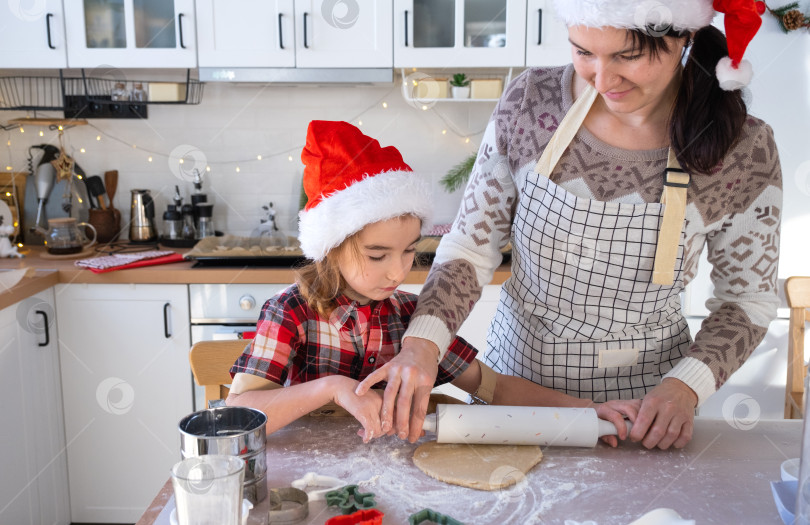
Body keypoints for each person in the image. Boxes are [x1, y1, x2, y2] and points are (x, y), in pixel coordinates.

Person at [357, 0, 782, 450]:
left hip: (646, 411)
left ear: (684, 36)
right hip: (515, 398)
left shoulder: (744, 149)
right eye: (583, 52)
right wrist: (423, 343)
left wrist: (686, 386)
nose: (602, 79)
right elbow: (469, 247)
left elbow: (747, 300)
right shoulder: (530, 103)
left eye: (627, 56)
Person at [226, 120, 641, 445]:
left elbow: (492, 387)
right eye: (377, 255)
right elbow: (241, 411)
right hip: (310, 478)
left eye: (409, 251)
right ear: (331, 246)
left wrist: (588, 411)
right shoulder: (292, 312)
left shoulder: (413, 316)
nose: (398, 272)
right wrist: (333, 388)